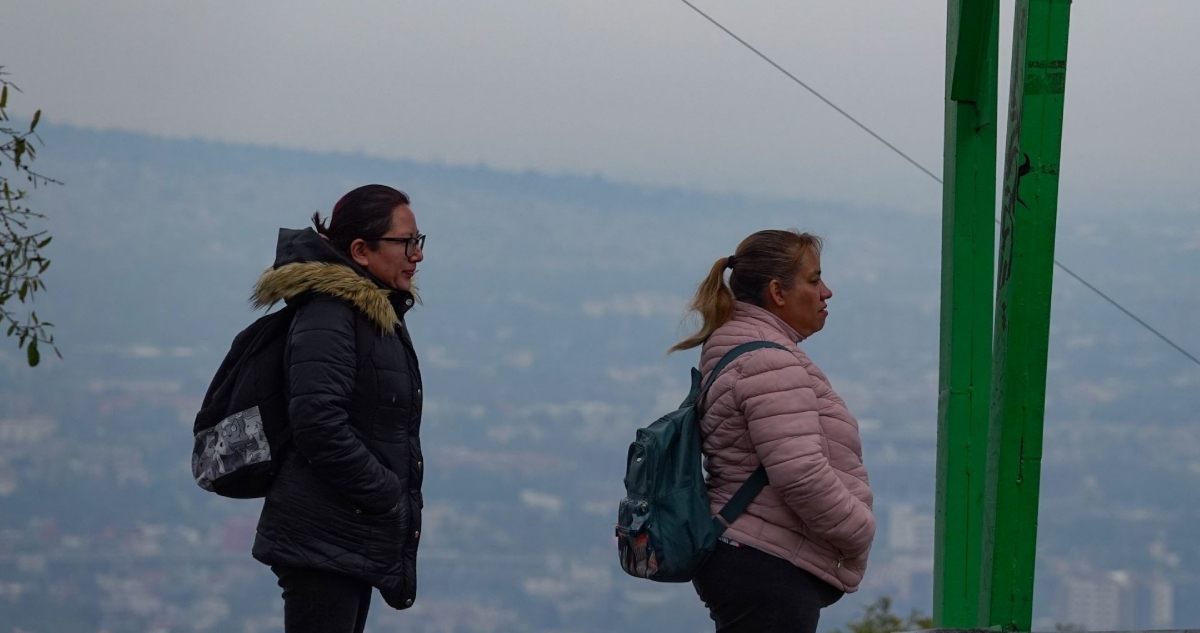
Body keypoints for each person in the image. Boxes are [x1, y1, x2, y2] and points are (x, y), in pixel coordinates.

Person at [671, 229, 875, 633]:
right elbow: (800, 473)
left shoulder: (738, 346)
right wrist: (859, 530)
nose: (826, 292)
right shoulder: (768, 362)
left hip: (749, 552)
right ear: (778, 292)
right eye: (814, 280)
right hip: (766, 560)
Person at [250, 184, 426, 633]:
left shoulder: (369, 314)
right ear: (361, 251)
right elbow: (318, 424)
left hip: (345, 533)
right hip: (321, 535)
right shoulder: (331, 314)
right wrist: (387, 492)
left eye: (418, 241)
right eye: (406, 243)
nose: (417, 255)